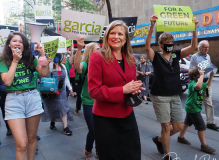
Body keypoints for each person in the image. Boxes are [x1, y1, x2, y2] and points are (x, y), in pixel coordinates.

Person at [88, 20, 144, 160]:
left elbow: (127, 83)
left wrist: (134, 89)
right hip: (105, 119)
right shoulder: (97, 56)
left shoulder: (130, 59)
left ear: (125, 39)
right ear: (107, 37)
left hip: (127, 114)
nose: (116, 36)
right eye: (112, 33)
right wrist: (123, 90)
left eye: (120, 33)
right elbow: (94, 90)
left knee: (133, 154)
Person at [145, 14, 198, 160]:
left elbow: (193, 46)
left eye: (172, 42)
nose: (170, 44)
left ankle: (160, 139)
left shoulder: (176, 55)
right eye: (167, 42)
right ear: (161, 44)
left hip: (174, 95)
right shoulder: (155, 56)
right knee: (166, 127)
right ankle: (167, 155)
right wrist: (151, 26)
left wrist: (194, 28)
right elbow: (147, 46)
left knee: (179, 127)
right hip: (159, 95)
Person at [0, 32, 49, 160]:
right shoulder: (3, 60)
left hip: (32, 97)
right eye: (14, 41)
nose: (17, 43)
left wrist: (42, 55)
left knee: (32, 138)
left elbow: (44, 73)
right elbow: (8, 81)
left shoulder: (30, 58)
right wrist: (15, 61)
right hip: (13, 100)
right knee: (22, 144)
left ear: (24, 45)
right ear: (9, 44)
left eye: (20, 42)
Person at [177, 69, 216, 153]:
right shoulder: (191, 83)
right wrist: (202, 75)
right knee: (201, 126)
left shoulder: (199, 82)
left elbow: (208, 85)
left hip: (192, 107)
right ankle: (204, 145)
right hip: (193, 108)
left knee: (186, 123)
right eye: (199, 73)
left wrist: (211, 76)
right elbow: (198, 87)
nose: (201, 73)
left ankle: (180, 137)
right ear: (195, 76)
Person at [74, 38, 100, 159]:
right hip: (89, 102)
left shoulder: (103, 64)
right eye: (97, 49)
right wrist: (79, 49)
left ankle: (99, 151)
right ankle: (88, 149)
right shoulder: (85, 65)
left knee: (102, 129)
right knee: (94, 129)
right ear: (90, 52)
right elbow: (77, 67)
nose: (100, 51)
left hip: (102, 102)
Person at [189, 40, 219, 130]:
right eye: (205, 47)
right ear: (199, 48)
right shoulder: (195, 57)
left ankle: (210, 122)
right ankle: (190, 120)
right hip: (198, 82)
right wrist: (198, 75)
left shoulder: (208, 56)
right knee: (195, 102)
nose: (207, 49)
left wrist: (211, 74)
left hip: (206, 82)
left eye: (208, 47)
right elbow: (190, 71)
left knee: (208, 103)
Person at [41, 53, 74, 136]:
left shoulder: (63, 66)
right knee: (52, 108)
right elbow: (45, 75)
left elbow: (66, 79)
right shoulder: (50, 66)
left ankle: (65, 127)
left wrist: (70, 89)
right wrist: (49, 63)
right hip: (51, 91)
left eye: (58, 57)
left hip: (62, 91)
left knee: (63, 107)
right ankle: (52, 121)